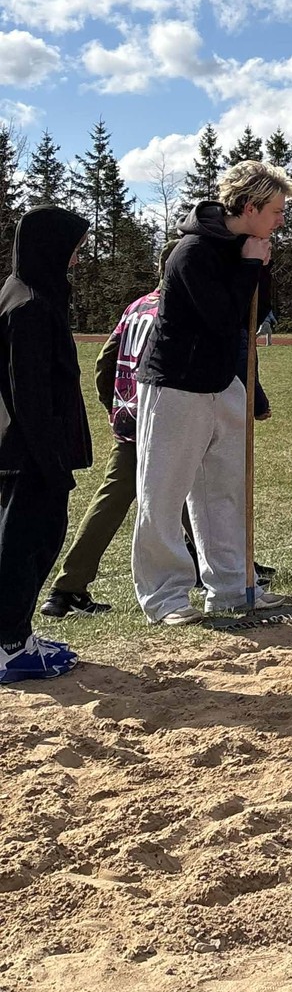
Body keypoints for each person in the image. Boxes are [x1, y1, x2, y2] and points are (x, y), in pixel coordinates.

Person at [132, 160, 292, 625]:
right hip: (176, 385)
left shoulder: (246, 247)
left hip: (224, 382)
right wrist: (250, 266)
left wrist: (258, 267)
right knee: (163, 493)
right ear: (249, 207)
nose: (281, 220)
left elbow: (254, 315)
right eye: (276, 210)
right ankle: (165, 597)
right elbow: (221, 317)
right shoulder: (192, 252)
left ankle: (231, 587)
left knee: (224, 491)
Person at [0, 207, 93, 683]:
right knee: (25, 546)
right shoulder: (30, 306)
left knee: (22, 542)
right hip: (28, 455)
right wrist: (52, 462)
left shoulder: (18, 291)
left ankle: (14, 635)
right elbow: (30, 395)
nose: (75, 260)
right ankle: (10, 645)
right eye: (73, 250)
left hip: (22, 450)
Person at [42, 275, 161, 618]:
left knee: (113, 500)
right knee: (195, 492)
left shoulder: (136, 307)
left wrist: (114, 404)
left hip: (129, 415)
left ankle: (67, 587)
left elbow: (105, 361)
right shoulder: (176, 307)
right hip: (160, 417)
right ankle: (223, 568)